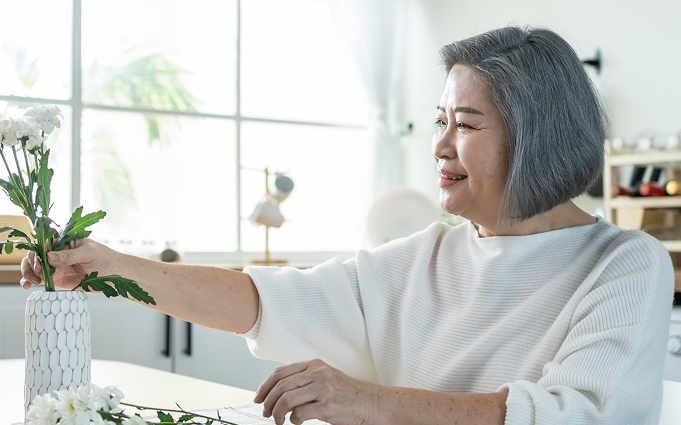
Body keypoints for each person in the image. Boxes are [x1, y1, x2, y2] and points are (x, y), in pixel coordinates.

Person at [21, 26, 673, 425]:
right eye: (438, 120)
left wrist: (368, 402)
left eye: (466, 125)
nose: (440, 145)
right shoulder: (426, 254)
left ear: (539, 137)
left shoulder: (623, 263)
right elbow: (270, 298)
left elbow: (584, 415)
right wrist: (120, 269)